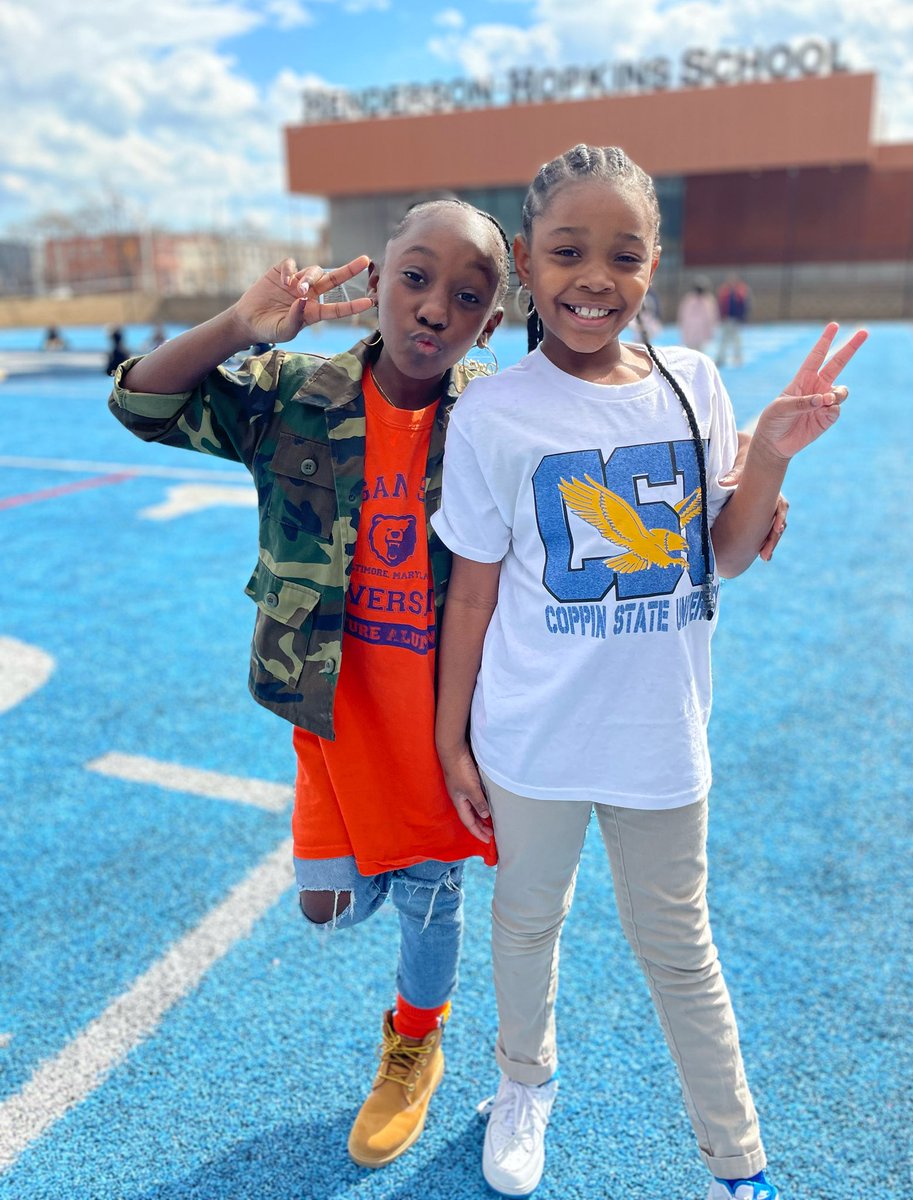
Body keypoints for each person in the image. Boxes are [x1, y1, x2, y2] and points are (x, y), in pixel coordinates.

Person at [431, 145, 867, 1200]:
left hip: (663, 737)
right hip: (531, 736)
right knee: (527, 922)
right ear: (528, 264)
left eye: (623, 255)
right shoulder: (491, 412)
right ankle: (524, 1085)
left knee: (681, 951)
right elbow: (476, 593)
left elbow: (716, 559)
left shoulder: (694, 383)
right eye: (569, 252)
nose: (596, 277)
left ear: (654, 265)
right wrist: (451, 736)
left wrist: (767, 457)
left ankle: (737, 1165)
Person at [107, 198, 512, 1168]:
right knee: (330, 907)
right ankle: (386, 876)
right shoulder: (294, 394)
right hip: (330, 718)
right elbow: (140, 404)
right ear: (375, 283)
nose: (432, 309)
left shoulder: (499, 424)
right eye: (414, 278)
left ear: (489, 324)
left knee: (429, 898)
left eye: (466, 296)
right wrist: (240, 328)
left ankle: (416, 1040)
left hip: (449, 726)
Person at [716, 272, 752, 368]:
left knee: (737, 340)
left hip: (736, 320)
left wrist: (743, 317)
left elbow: (745, 305)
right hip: (727, 319)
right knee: (724, 340)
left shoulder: (741, 291)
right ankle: (720, 358)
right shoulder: (724, 292)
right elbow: (720, 305)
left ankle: (738, 357)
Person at [678, 275, 720, 352]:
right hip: (691, 332)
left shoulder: (708, 300)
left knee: (700, 352)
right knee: (690, 352)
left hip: (701, 333)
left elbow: (711, 317)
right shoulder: (689, 300)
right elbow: (684, 316)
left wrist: (710, 331)